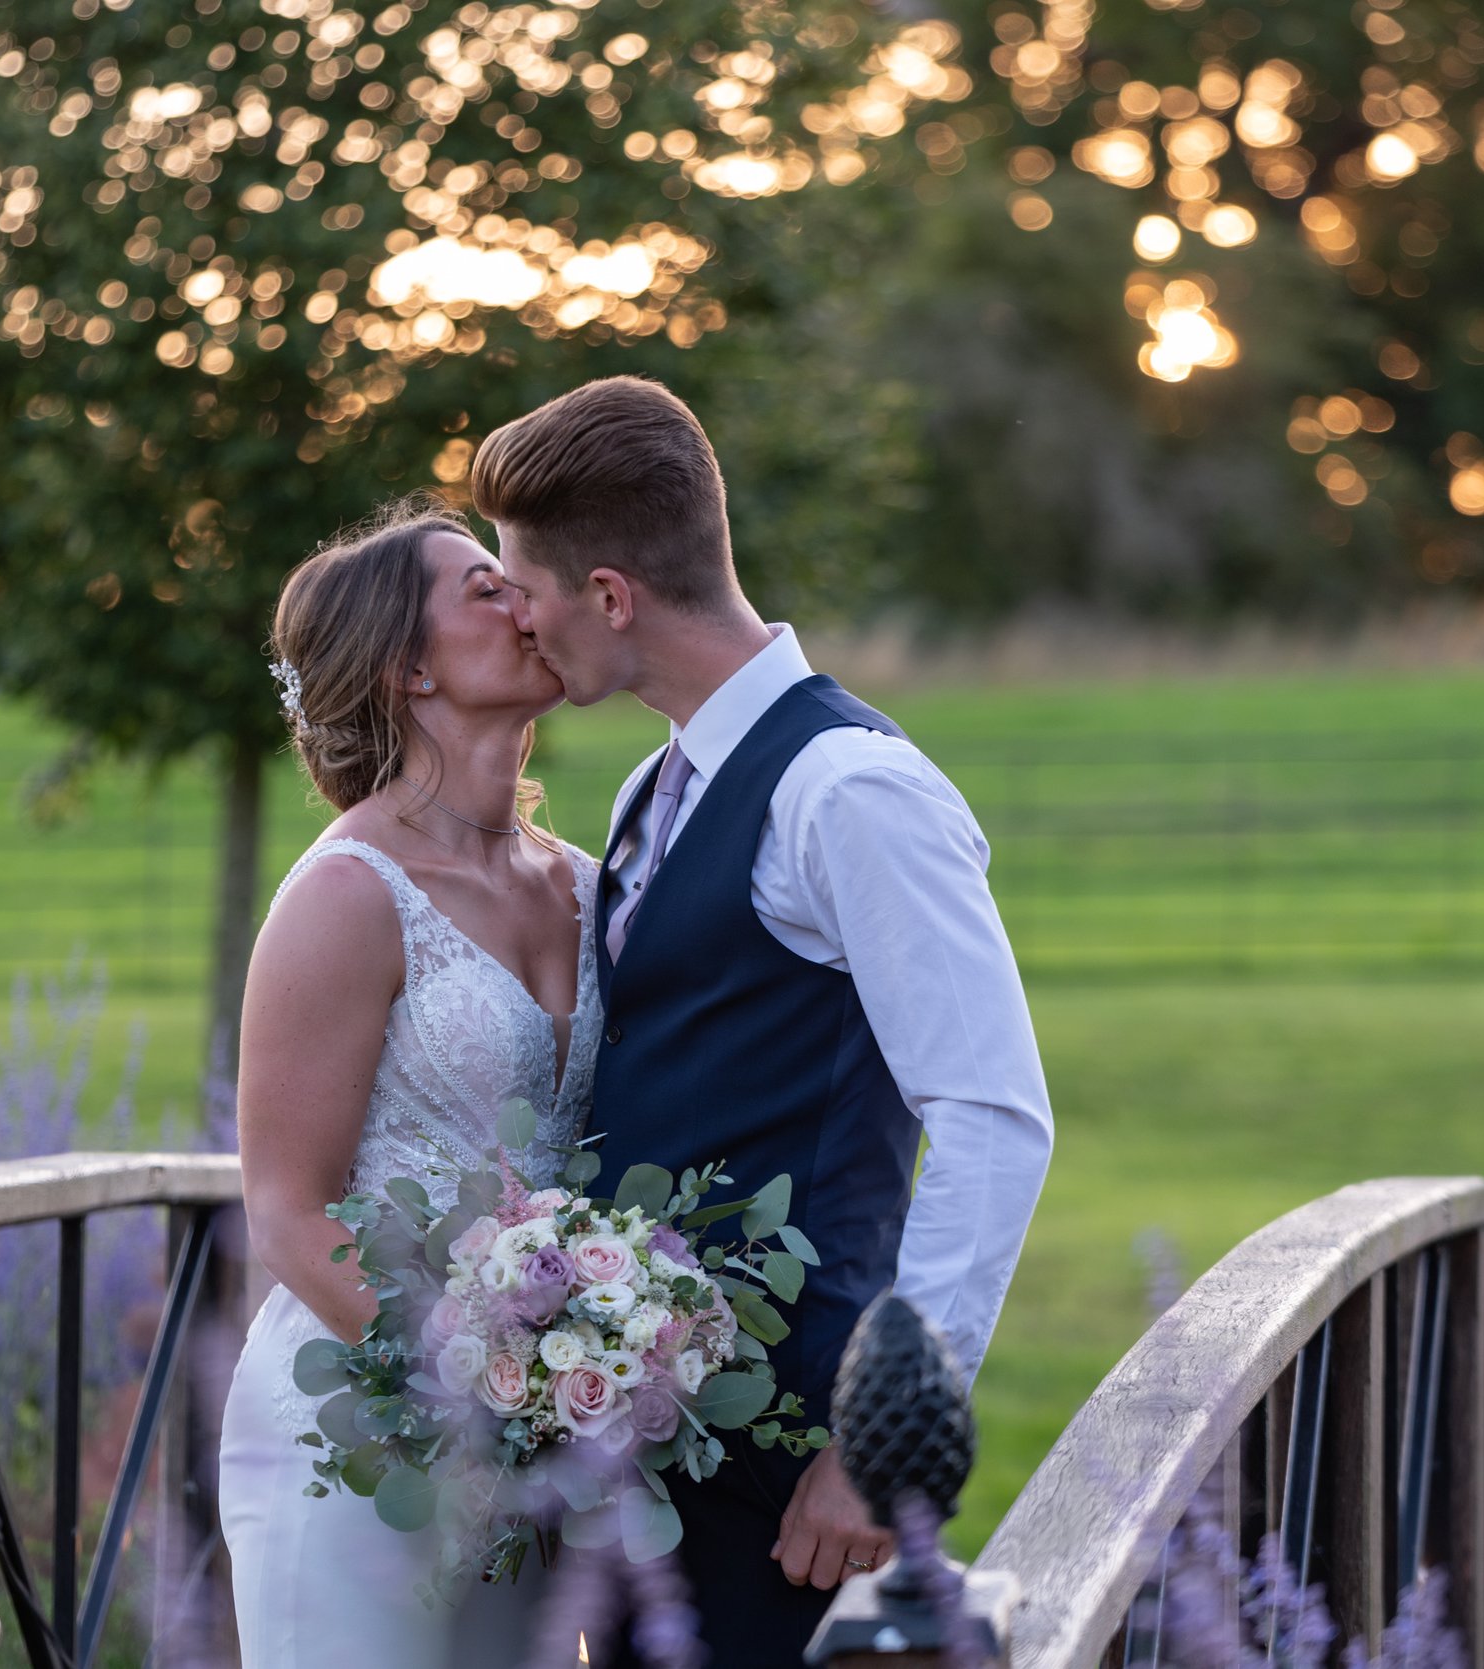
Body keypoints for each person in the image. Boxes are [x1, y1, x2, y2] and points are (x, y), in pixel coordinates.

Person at [471, 376, 1055, 1666]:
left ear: (611, 596)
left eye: (524, 585)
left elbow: (993, 1116)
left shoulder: (851, 790)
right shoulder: (649, 784)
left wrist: (878, 1445)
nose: (511, 616)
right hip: (650, 1453)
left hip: (795, 1464)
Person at [217, 500, 598, 1668]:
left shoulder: (591, 882)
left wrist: (561, 1390)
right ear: (406, 668)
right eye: (485, 586)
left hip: (545, 1440)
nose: (525, 598)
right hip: (363, 1433)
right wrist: (469, 1394)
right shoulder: (346, 895)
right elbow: (287, 1211)